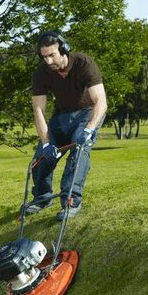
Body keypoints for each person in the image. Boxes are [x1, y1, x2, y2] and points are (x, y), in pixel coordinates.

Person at [25, 30, 108, 221]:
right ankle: (43, 198)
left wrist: (88, 130)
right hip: (62, 116)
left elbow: (101, 103)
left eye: (52, 55)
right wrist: (46, 144)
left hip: (88, 112)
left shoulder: (84, 63)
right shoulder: (42, 73)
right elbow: (38, 110)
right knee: (40, 160)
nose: (48, 61)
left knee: (79, 152)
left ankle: (71, 202)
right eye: (44, 57)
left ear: (63, 49)